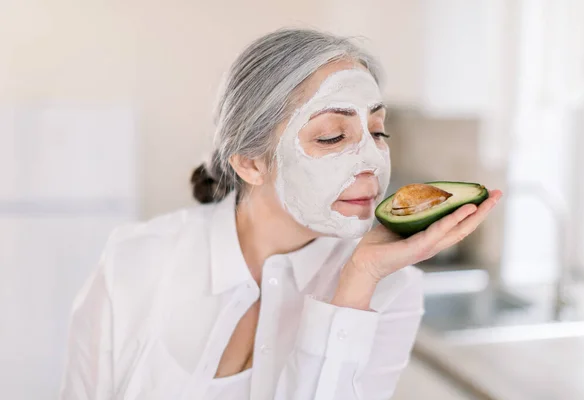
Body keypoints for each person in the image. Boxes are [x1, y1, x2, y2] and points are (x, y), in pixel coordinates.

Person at [60, 28, 502, 400]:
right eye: (331, 136)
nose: (372, 160)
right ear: (250, 163)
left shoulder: (390, 290)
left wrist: (357, 282)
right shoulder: (135, 260)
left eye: (377, 130)